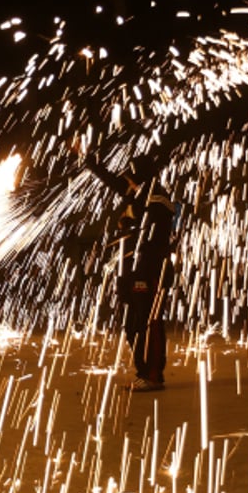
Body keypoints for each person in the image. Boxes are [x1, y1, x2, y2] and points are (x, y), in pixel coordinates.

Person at [80, 147, 176, 391]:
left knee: (148, 323)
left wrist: (142, 266)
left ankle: (153, 375)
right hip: (133, 270)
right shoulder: (139, 194)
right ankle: (143, 370)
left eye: (130, 177)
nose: (126, 182)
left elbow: (154, 237)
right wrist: (91, 163)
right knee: (132, 324)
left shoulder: (156, 198)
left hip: (150, 270)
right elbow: (114, 183)